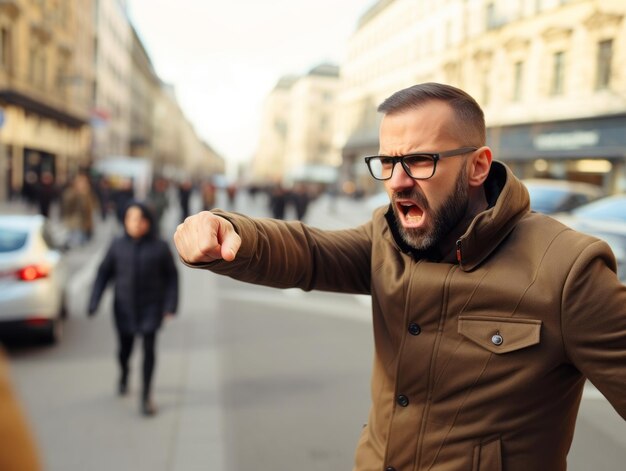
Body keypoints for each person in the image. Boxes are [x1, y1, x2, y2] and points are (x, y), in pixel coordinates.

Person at [173, 83, 626, 470]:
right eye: (387, 162)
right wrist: (231, 230)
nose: (397, 181)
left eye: (420, 161)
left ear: (478, 165)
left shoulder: (569, 270)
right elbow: (310, 252)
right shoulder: (387, 237)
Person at [88, 201, 179, 416]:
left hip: (151, 307)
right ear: (125, 221)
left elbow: (172, 278)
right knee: (124, 350)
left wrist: (170, 306)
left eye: (141, 219)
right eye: (132, 219)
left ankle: (146, 395)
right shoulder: (117, 246)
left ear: (149, 221)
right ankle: (124, 372)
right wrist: (94, 301)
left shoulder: (160, 247)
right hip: (124, 308)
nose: (137, 224)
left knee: (149, 350)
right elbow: (103, 274)